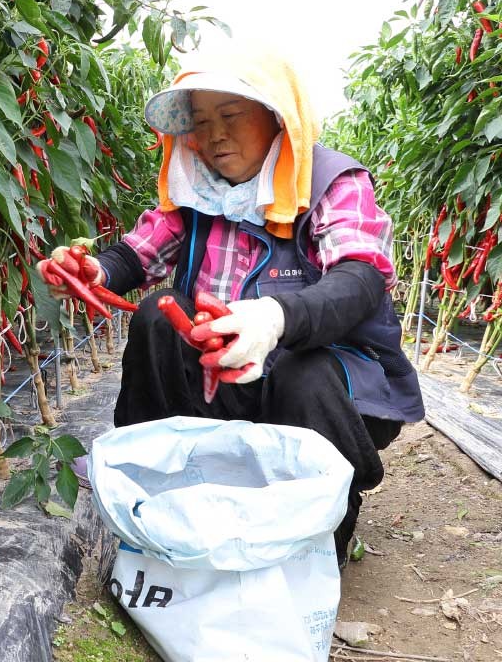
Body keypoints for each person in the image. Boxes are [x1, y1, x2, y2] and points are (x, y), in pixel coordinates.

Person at [49, 43, 422, 567]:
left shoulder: (330, 182)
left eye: (230, 115)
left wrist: (277, 317)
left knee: (304, 374)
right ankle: (156, 488)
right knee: (159, 314)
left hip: (334, 392)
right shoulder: (200, 192)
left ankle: (322, 534)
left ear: (277, 118)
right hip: (226, 377)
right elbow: (140, 252)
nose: (214, 135)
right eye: (200, 122)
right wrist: (96, 271)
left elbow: (360, 278)